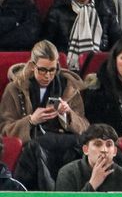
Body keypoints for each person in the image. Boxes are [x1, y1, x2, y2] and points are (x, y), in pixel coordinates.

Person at [0, 40, 88, 189]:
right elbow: (5, 129)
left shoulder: (69, 88)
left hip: (65, 143)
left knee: (85, 145)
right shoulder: (14, 89)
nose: (48, 75)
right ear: (33, 65)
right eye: (42, 70)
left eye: (52, 70)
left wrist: (68, 114)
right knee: (36, 148)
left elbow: (85, 128)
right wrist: (31, 121)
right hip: (34, 145)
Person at [42, 0, 122, 72]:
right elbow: (46, 46)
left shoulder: (106, 6)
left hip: (102, 68)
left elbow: (119, 42)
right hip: (67, 70)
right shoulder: (57, 9)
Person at [54, 122, 122, 191]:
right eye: (98, 144)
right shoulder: (67, 173)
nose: (104, 149)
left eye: (109, 145)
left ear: (115, 151)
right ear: (86, 149)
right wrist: (92, 184)